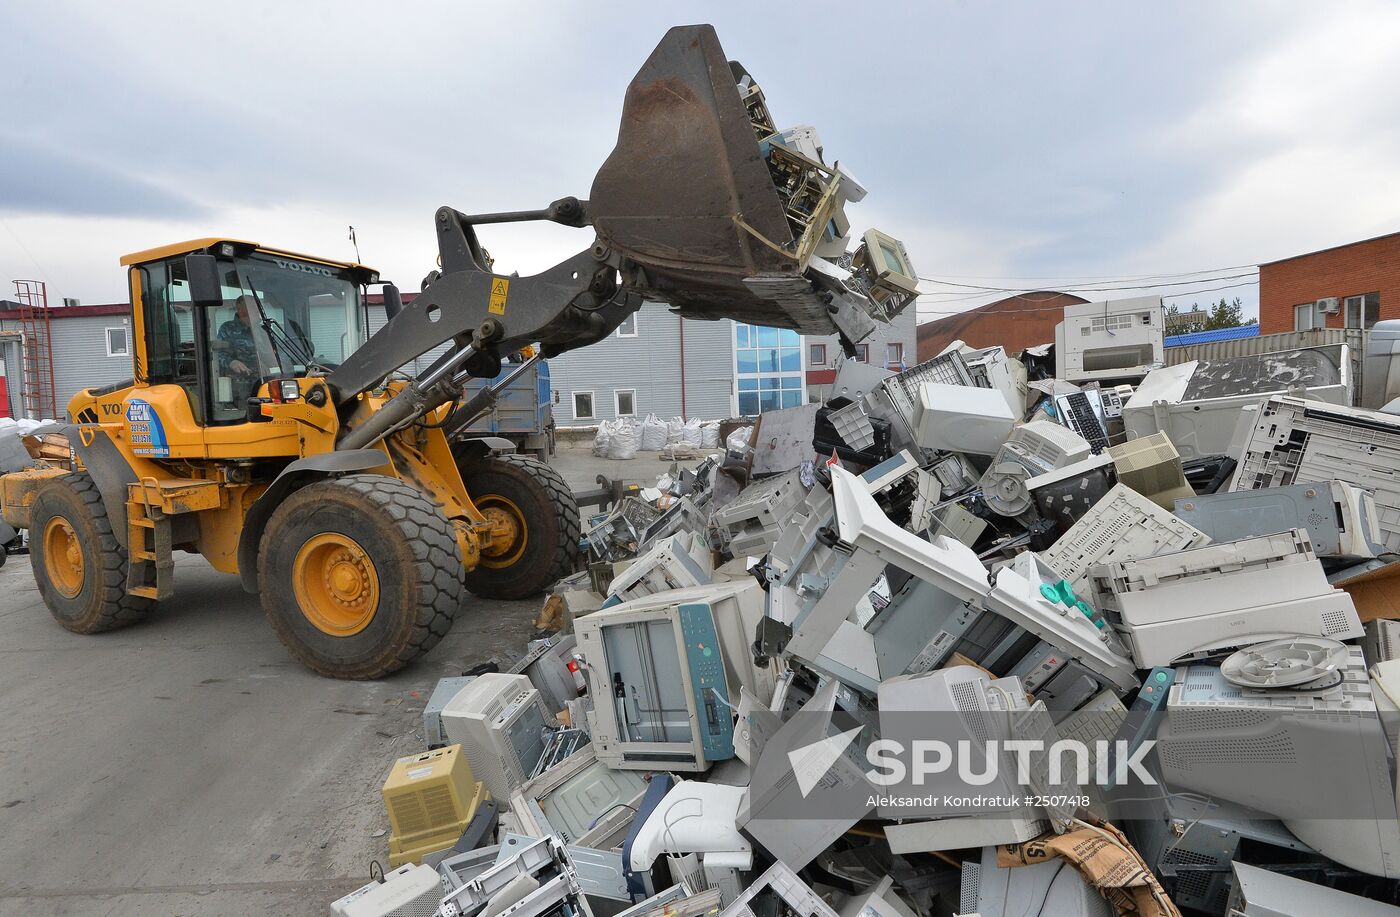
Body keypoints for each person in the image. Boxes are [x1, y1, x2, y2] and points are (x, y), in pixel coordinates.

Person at [218, 295, 259, 377]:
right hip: (239, 381)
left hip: (266, 378)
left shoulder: (265, 329)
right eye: (250, 307)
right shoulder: (227, 328)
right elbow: (218, 354)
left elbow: (280, 353)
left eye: (255, 307)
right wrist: (231, 362)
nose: (254, 310)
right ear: (239, 309)